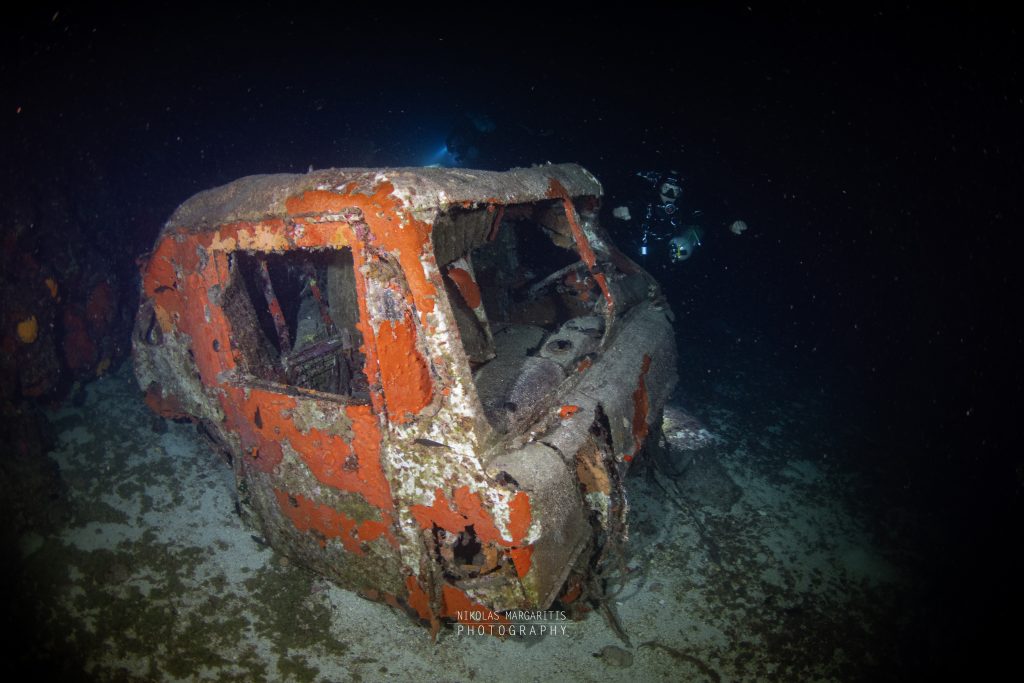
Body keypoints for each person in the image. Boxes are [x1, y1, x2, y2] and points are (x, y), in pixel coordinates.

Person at [612, 170, 747, 270]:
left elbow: (708, 220)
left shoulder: (683, 210)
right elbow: (631, 205)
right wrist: (619, 211)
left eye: (674, 191)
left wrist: (730, 225)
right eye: (666, 189)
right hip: (638, 246)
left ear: (680, 194)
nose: (669, 195)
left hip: (667, 251)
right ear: (659, 188)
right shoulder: (646, 202)